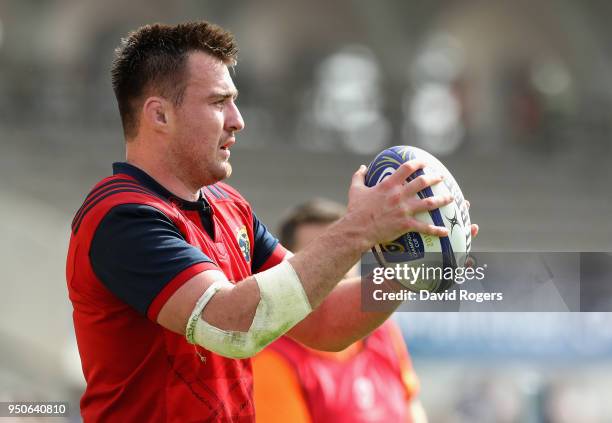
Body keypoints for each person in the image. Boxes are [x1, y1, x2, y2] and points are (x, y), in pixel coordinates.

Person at [65, 21, 478, 422]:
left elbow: (323, 323)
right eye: (217, 102)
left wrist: (412, 269)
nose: (237, 119)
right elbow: (230, 325)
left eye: (234, 100)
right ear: (159, 116)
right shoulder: (121, 216)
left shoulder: (230, 207)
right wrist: (360, 228)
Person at [253, 199, 428, 423]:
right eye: (319, 257)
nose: (336, 267)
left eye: (345, 254)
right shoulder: (274, 357)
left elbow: (412, 407)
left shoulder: (383, 333)